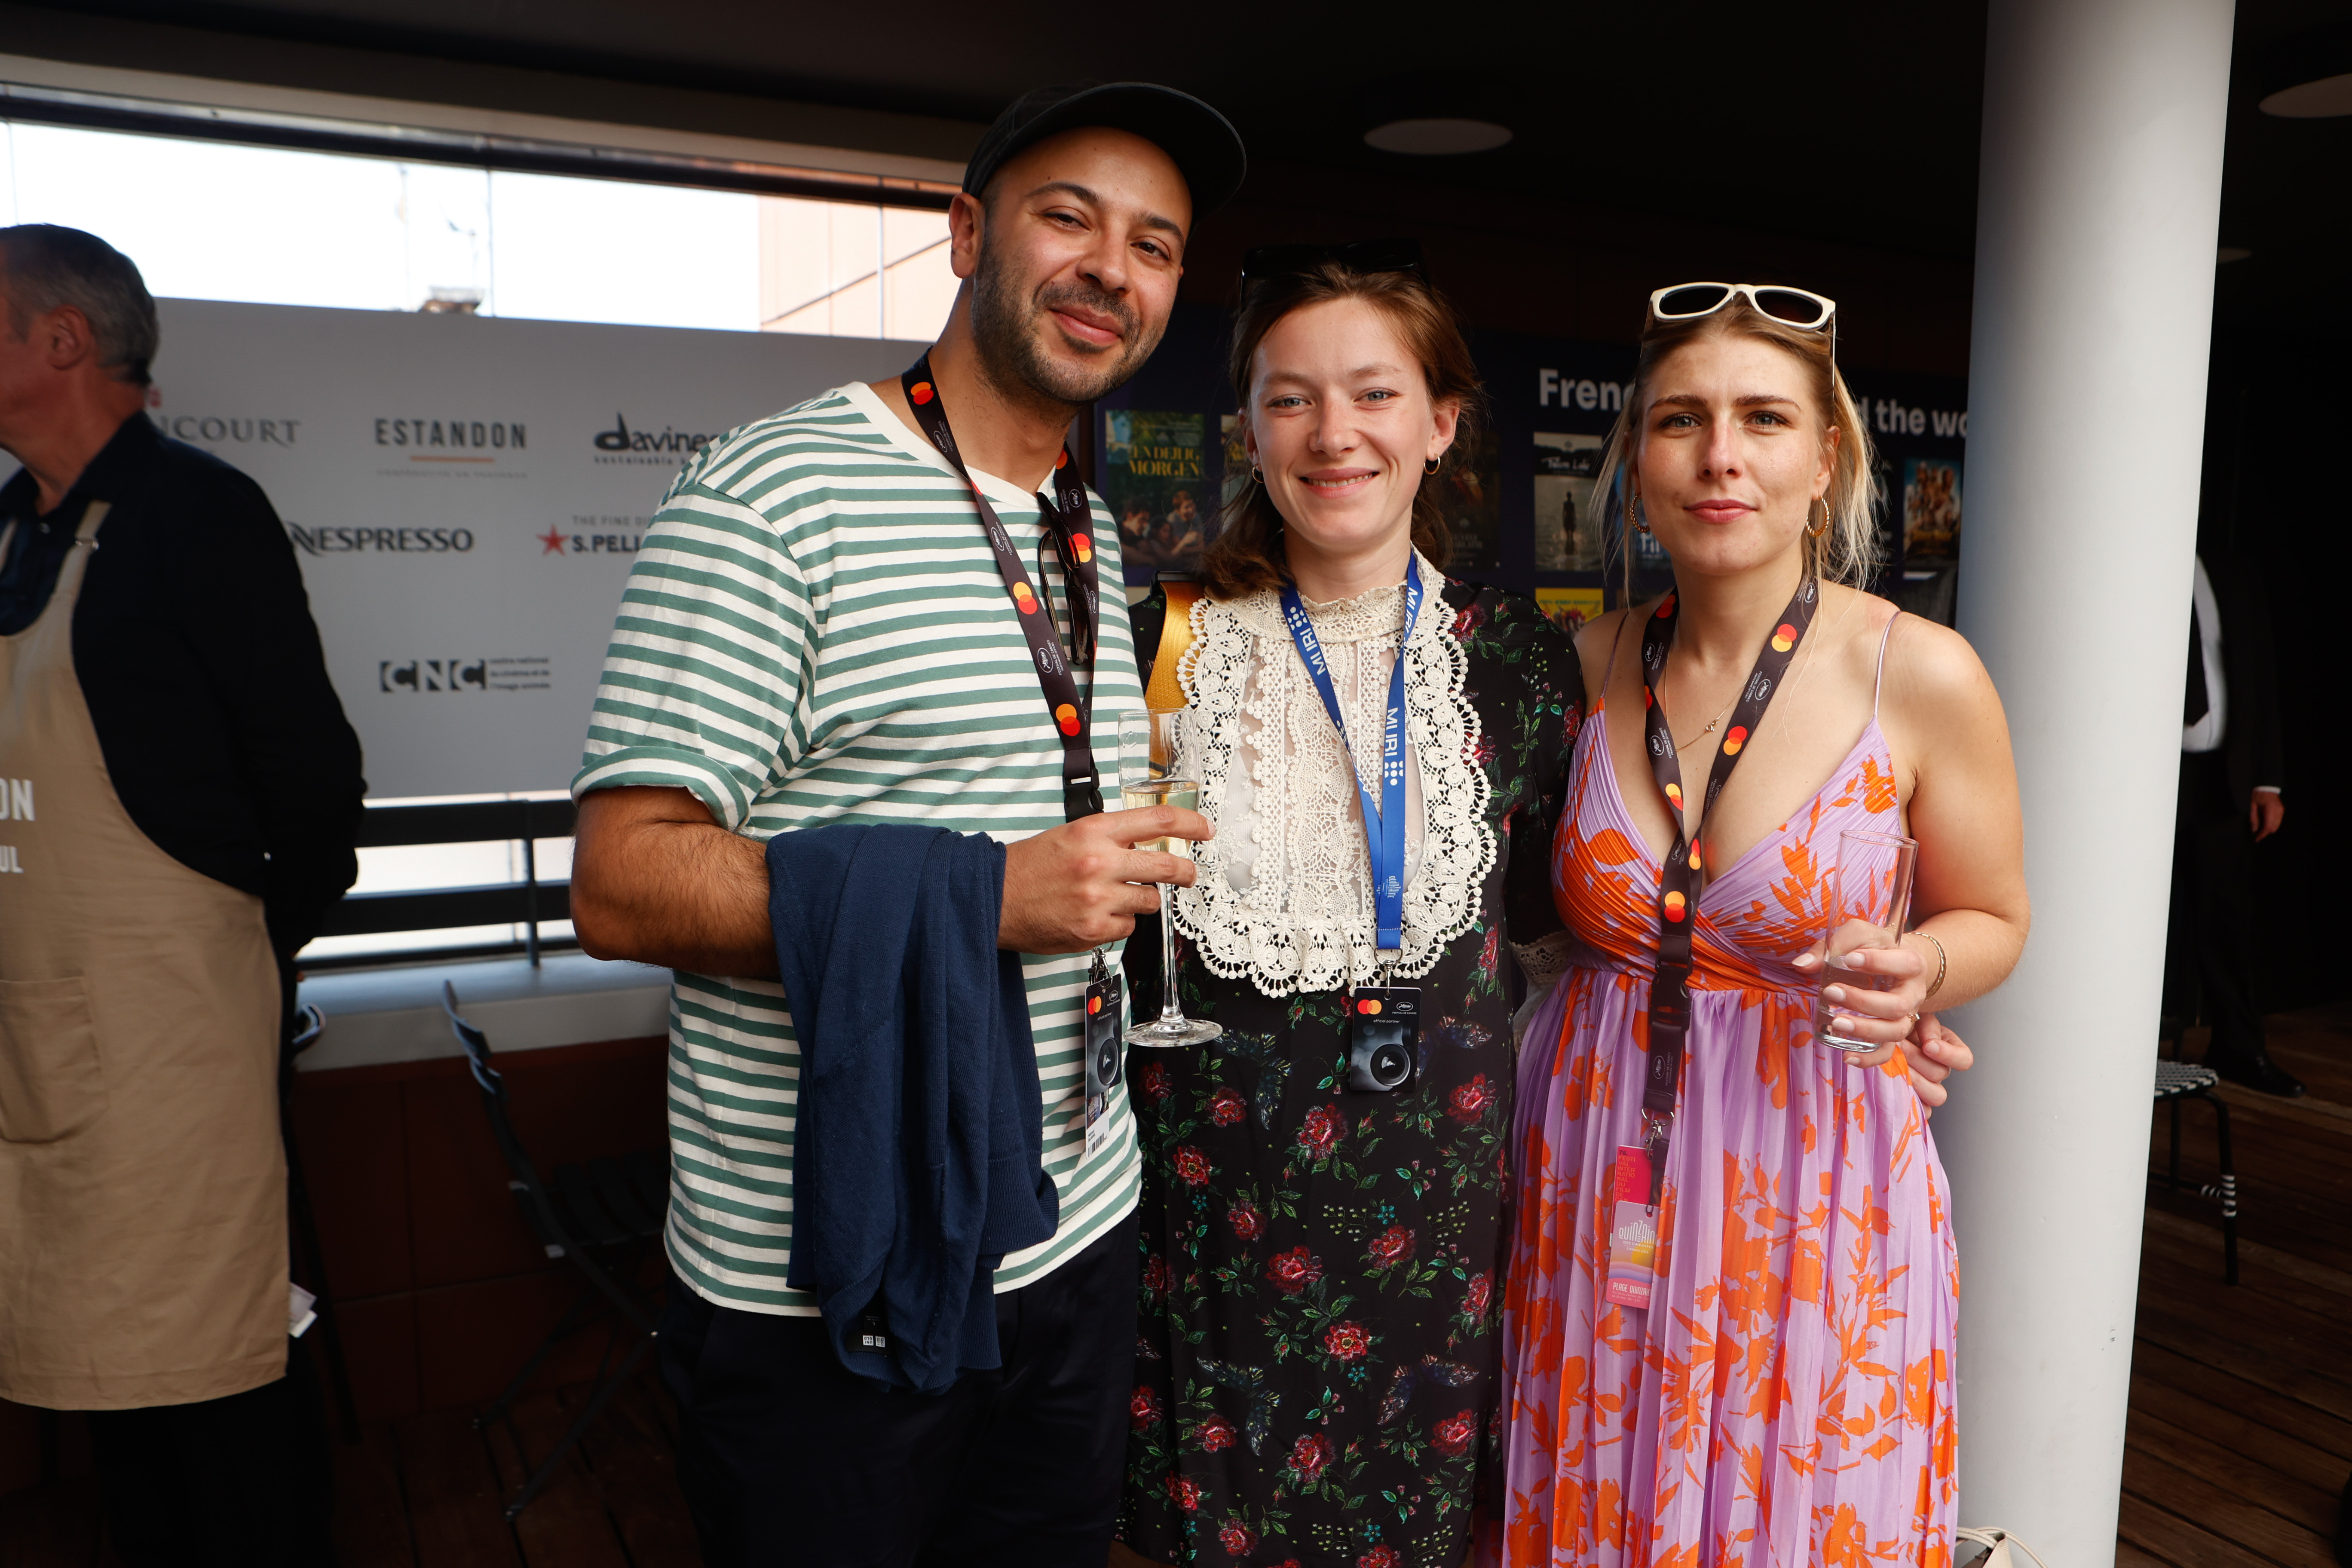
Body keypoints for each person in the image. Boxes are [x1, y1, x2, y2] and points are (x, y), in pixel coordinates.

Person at [566, 83, 1245, 1567]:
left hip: (1074, 1223)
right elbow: (620, 881)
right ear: (966, 233)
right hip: (832, 1271)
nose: (1110, 269)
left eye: (1156, 244)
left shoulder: (1085, 511)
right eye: (1069, 216)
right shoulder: (774, 492)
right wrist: (980, 897)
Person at [1496, 282, 2027, 1565]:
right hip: (1600, 1153)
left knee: (1796, 1505)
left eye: (1763, 419)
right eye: (1682, 420)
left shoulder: (1924, 673)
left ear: (1825, 456)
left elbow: (1995, 914)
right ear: (1638, 457)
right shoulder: (1582, 664)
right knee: (1604, 1491)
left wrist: (1921, 968)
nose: (1721, 455)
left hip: (1819, 1172)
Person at [1114, 249, 1583, 1568]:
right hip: (1209, 1213)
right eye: (1291, 399)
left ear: (1439, 422)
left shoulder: (1518, 657)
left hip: (1432, 1230)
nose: (1334, 436)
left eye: (1374, 394)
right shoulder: (1165, 639)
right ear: (1251, 427)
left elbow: (1565, 912)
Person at [0, 225, 363, 1565]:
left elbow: (316, 787)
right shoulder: (7, 536)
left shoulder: (196, 517)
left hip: (176, 1040)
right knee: (108, 1379)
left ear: (61, 341)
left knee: (213, 1369)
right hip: (34, 1038)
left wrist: (235, 960)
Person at [2166, 545, 2297, 1095]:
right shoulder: (2130, 557)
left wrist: (2267, 779)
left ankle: (2240, 1046)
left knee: (2226, 917)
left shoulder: (2234, 570)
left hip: (2222, 775)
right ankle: (2137, 1046)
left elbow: (2259, 671)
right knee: (2144, 921)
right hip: (2149, 778)